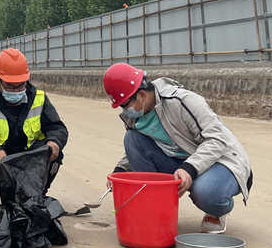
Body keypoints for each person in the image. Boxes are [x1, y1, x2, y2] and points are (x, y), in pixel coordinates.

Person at [103, 62, 253, 234]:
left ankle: (216, 211)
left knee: (206, 192)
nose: (124, 110)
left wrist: (190, 168)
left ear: (142, 95)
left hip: (220, 161)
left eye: (125, 105)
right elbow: (138, 150)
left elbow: (218, 139)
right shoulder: (135, 117)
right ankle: (157, 209)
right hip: (180, 161)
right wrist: (120, 171)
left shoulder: (182, 101)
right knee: (132, 139)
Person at [0, 48, 68, 212]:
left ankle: (36, 195)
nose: (16, 90)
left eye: (20, 86)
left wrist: (54, 142)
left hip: (25, 158)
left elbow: (57, 127)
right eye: (10, 86)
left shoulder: (39, 98)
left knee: (53, 152)